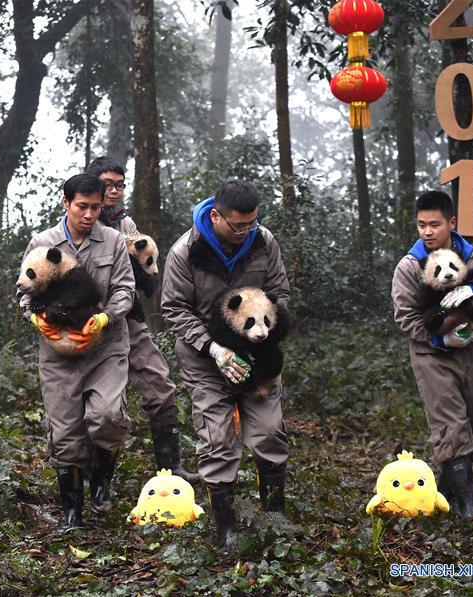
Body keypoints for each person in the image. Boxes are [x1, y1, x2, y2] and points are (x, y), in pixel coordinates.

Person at [161, 179, 290, 554]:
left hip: (258, 354)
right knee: (217, 441)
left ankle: (274, 520)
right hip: (206, 360)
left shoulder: (264, 241)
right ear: (216, 216)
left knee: (268, 433)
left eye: (252, 223)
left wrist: (268, 320)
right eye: (238, 226)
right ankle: (226, 526)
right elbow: (174, 309)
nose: (247, 231)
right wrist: (214, 348)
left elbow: (280, 291)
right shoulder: (185, 251)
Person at [17, 172, 136, 528]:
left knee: (108, 418)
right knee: (66, 434)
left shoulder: (113, 241)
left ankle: (101, 480)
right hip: (59, 350)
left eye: (95, 208)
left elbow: (125, 290)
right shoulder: (43, 241)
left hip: (105, 347)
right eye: (81, 207)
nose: (88, 215)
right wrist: (37, 320)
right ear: (65, 203)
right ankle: (72, 510)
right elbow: (23, 290)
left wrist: (105, 318)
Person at [84, 156, 198, 484]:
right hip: (87, 325)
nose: (115, 191)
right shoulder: (80, 218)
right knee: (95, 402)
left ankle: (169, 468)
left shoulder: (126, 224)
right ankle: (93, 476)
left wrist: (140, 256)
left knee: (160, 384)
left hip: (128, 319)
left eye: (120, 185)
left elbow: (145, 284)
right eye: (108, 184)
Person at [391, 190, 473, 518]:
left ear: (451, 223)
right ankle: (469, 512)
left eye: (434, 224)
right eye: (421, 224)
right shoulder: (409, 266)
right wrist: (442, 337)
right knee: (450, 426)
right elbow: (405, 316)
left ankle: (443, 500)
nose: (427, 231)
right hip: (432, 354)